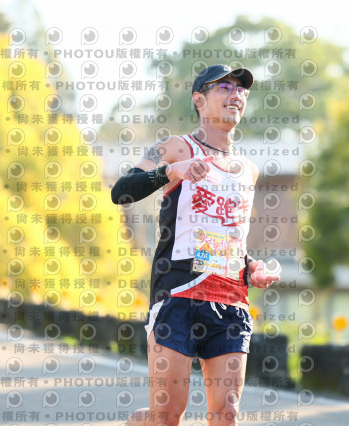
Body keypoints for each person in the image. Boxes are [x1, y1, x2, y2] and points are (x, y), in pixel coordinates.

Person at [111, 64, 280, 426]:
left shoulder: (248, 169)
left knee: (226, 414)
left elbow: (229, 234)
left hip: (231, 301)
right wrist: (171, 171)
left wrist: (250, 265)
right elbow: (121, 191)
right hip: (179, 295)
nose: (236, 94)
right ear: (199, 100)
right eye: (225, 87)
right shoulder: (176, 147)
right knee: (166, 417)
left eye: (241, 89)